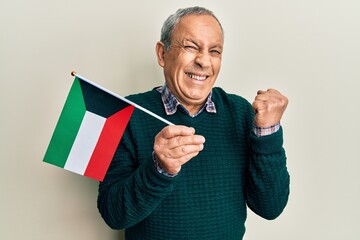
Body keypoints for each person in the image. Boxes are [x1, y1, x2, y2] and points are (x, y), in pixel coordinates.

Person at [97, 6, 290, 240]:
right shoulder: (125, 114)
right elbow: (113, 215)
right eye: (190, 47)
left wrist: (267, 136)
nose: (204, 61)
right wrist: (159, 168)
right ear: (162, 53)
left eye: (215, 51)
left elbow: (270, 208)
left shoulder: (241, 113)